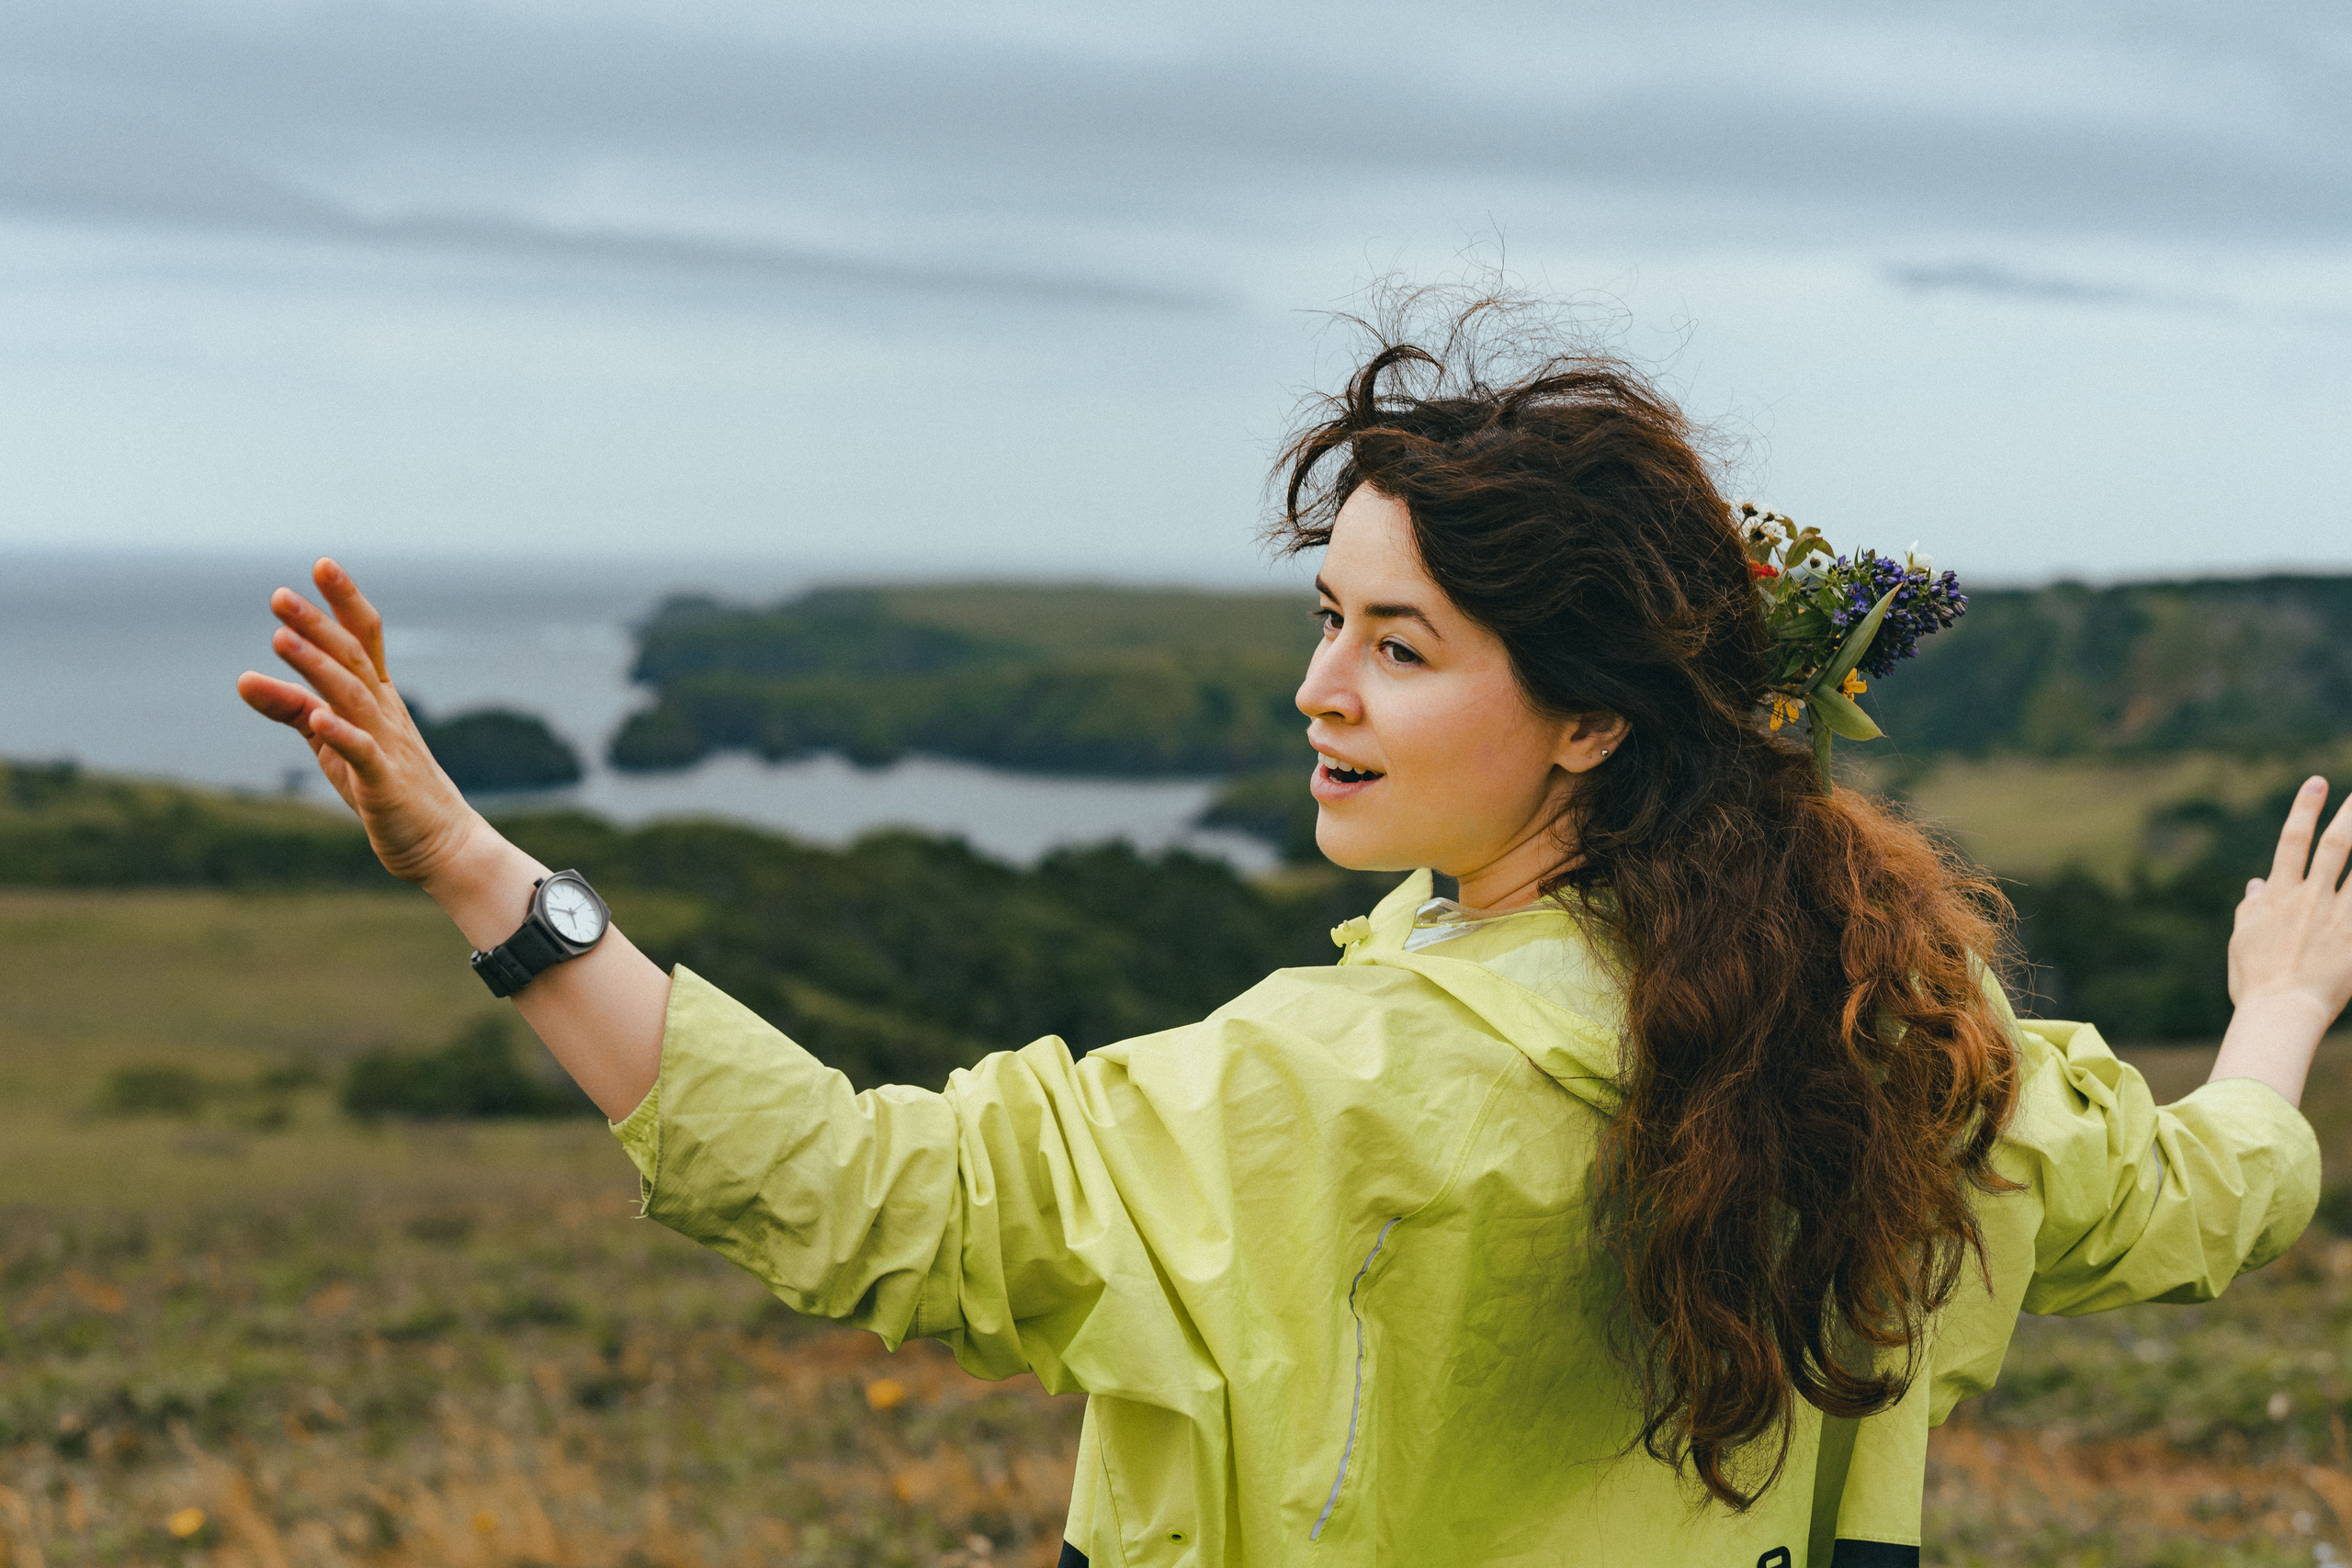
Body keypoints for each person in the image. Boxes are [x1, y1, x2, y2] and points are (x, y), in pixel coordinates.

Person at [237, 319, 2346, 1567]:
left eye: (1398, 645)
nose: (1316, 688)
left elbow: (868, 1193)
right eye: (1324, 617)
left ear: (1588, 716)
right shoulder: (1888, 1020)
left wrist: (489, 882)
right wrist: (2274, 1011)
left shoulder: (1327, 1086)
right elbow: (2179, 1198)